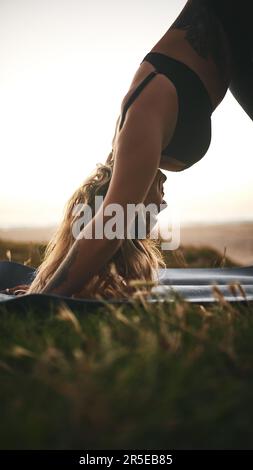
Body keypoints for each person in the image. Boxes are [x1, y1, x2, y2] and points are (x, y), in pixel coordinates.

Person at [23, 0, 253, 297]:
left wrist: (43, 297)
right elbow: (104, 226)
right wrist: (51, 278)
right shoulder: (129, 151)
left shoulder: (137, 130)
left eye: (149, 216)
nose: (161, 208)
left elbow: (108, 227)